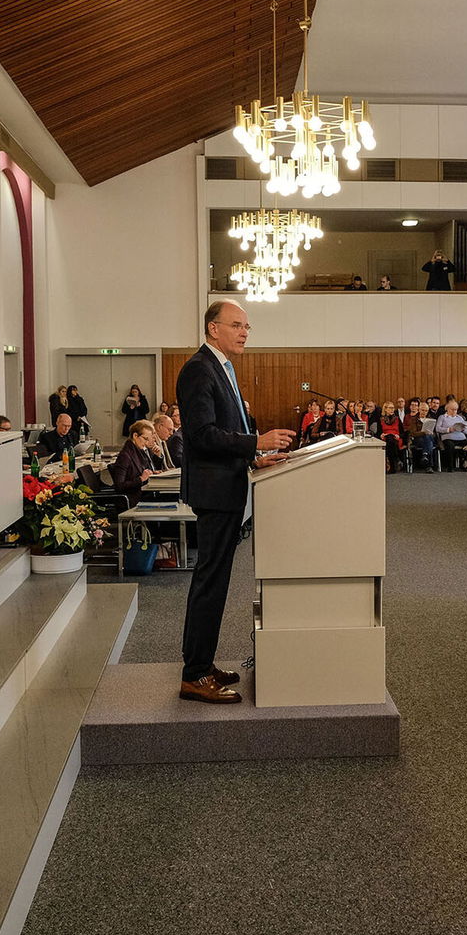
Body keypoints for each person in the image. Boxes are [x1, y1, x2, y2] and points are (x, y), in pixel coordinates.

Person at [175, 299, 293, 704]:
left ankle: (202, 663)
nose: (244, 333)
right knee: (209, 583)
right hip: (214, 492)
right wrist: (255, 441)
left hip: (225, 486)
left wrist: (253, 458)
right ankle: (194, 674)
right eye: (237, 325)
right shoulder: (199, 369)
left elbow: (225, 429)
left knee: (214, 582)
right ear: (213, 328)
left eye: (247, 327)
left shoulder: (220, 366)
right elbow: (202, 435)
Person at [110, 419, 157, 511]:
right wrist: (141, 479)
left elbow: (143, 470)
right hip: (134, 499)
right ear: (135, 436)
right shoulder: (125, 455)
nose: (146, 443)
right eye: (145, 439)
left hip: (141, 494)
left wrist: (152, 473)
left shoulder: (138, 451)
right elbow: (119, 486)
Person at [435, 399, 467, 471]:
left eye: (456, 410)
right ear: (447, 409)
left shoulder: (459, 418)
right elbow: (437, 429)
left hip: (461, 438)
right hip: (448, 438)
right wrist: (448, 429)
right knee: (450, 446)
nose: (454, 411)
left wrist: (464, 429)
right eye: (452, 409)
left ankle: (465, 463)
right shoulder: (442, 417)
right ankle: (450, 466)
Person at [374, 401, 404, 473]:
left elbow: (402, 432)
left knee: (390, 439)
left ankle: (391, 465)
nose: (392, 410)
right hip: (385, 438)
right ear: (385, 409)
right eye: (390, 408)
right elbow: (378, 432)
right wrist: (381, 435)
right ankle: (396, 459)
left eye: (393, 408)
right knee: (389, 438)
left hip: (396, 438)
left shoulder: (397, 419)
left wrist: (398, 436)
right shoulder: (381, 419)